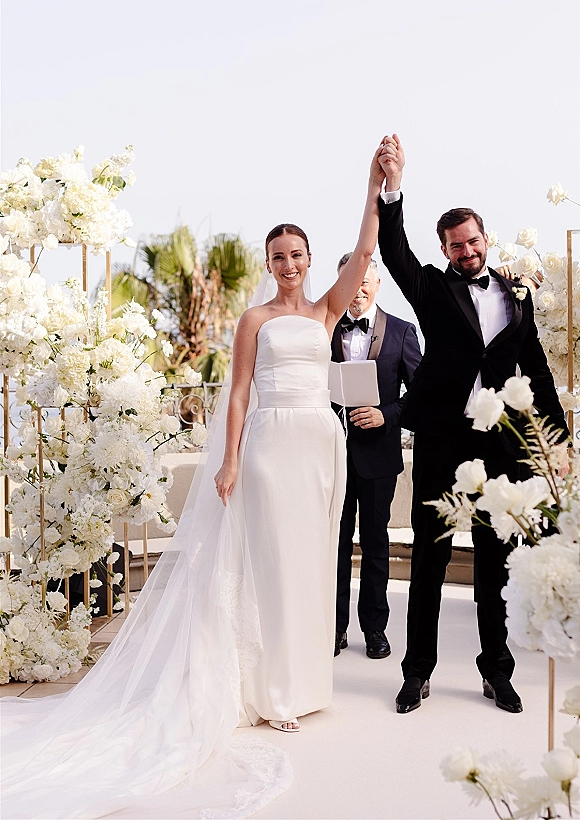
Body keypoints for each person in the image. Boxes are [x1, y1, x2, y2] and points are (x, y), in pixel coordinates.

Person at [1, 141, 385, 820]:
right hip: (270, 446)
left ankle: (305, 685)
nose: (289, 264)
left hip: (321, 446)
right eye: (278, 256)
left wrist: (374, 186)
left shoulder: (326, 310)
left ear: (308, 259)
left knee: (312, 565)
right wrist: (230, 459)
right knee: (271, 565)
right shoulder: (255, 320)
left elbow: (363, 252)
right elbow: (236, 394)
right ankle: (271, 692)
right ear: (267, 264)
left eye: (298, 254)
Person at [375, 134, 569, 716]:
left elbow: (536, 371)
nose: (466, 251)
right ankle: (416, 672)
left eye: (473, 241)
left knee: (494, 562)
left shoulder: (517, 294)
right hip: (442, 441)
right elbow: (394, 252)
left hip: (501, 447)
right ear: (445, 248)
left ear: (486, 239)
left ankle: (497, 673)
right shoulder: (431, 288)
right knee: (430, 560)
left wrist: (555, 441)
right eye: (456, 244)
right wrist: (392, 188)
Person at [331, 254, 421, 659]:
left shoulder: (402, 331)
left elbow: (420, 396)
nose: (358, 290)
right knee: (333, 545)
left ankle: (374, 629)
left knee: (375, 545)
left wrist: (386, 414)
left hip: (379, 458)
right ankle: (334, 627)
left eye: (365, 282)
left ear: (377, 284)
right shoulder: (323, 329)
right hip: (329, 456)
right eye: (351, 282)